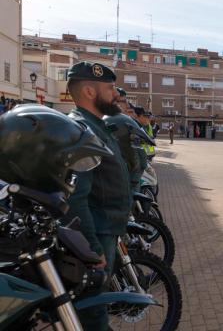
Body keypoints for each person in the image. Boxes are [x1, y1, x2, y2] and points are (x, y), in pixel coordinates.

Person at [63, 61, 132, 330]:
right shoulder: (82, 130)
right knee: (93, 313)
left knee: (95, 306)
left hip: (105, 229)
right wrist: (91, 248)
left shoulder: (96, 126)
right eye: (110, 87)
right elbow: (76, 197)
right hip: (97, 234)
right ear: (90, 92)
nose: (116, 94)